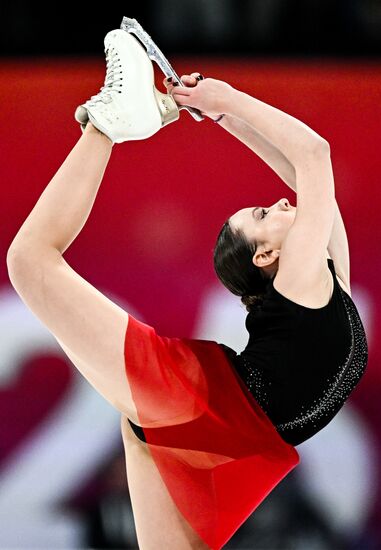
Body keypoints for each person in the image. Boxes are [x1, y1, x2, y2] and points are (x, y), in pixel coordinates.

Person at [6, 28, 368, 550]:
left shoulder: (323, 283)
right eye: (266, 214)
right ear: (267, 257)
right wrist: (225, 101)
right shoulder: (303, 284)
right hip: (212, 411)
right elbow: (314, 155)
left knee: (142, 437)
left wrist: (225, 117)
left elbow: (305, 172)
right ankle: (108, 124)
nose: (287, 203)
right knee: (29, 261)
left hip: (234, 440)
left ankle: (118, 119)